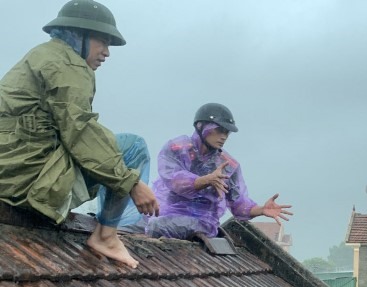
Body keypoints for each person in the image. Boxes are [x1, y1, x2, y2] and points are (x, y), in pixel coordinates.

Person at [0, 0, 159, 269]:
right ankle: (107, 236)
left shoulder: (42, 55)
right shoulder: (70, 65)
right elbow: (81, 128)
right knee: (132, 146)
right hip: (29, 183)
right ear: (79, 34)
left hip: (12, 173)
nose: (107, 52)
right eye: (102, 41)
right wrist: (131, 182)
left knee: (104, 145)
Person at [144, 103, 292, 244]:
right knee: (132, 224)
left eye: (227, 132)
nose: (224, 136)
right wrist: (206, 180)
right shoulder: (177, 148)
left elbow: (238, 204)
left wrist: (261, 210)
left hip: (201, 221)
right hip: (164, 212)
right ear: (201, 126)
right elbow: (173, 180)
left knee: (156, 227)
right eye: (220, 130)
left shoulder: (228, 165)